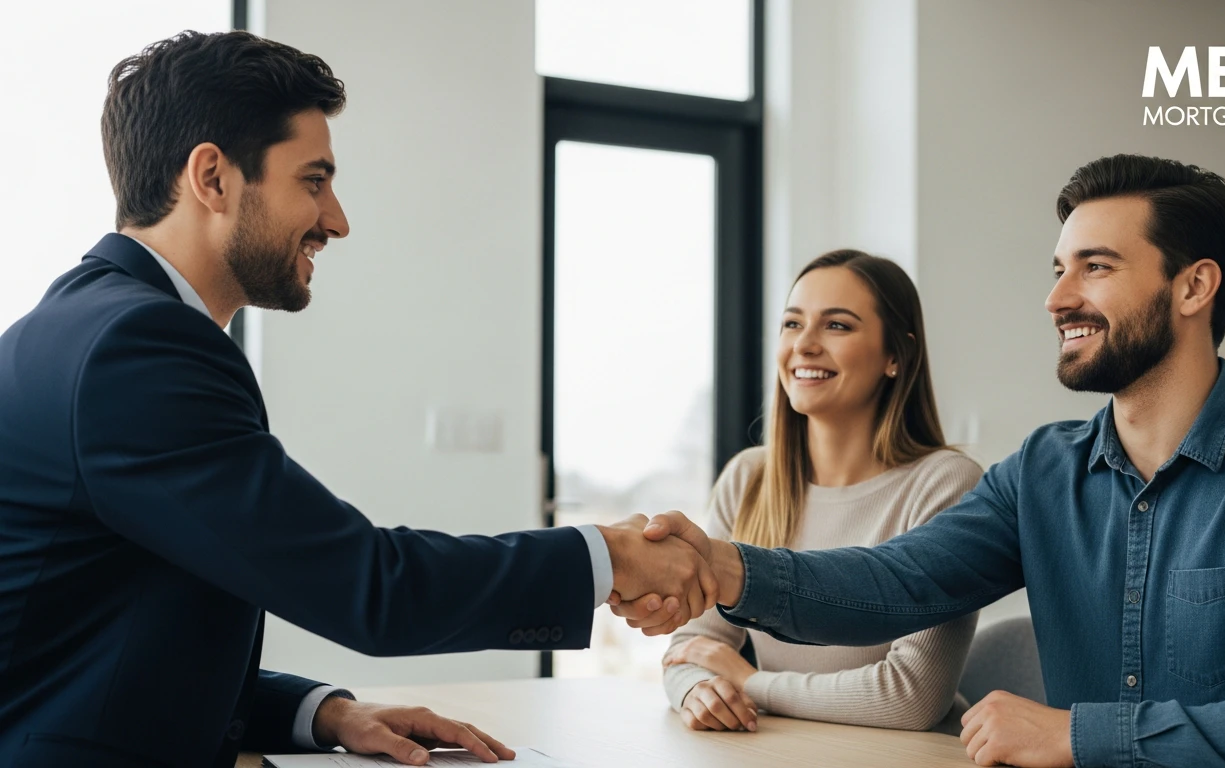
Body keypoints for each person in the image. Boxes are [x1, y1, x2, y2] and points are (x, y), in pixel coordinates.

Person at [0, 31, 714, 768]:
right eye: (313, 180)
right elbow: (370, 588)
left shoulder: (86, 327)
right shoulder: (138, 349)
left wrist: (327, 712)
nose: (336, 220)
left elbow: (108, 648)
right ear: (212, 178)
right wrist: (607, 557)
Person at [615, 155, 1225, 768]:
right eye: (1057, 269)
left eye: (1094, 267)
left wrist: (1076, 737)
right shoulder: (1044, 473)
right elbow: (895, 584)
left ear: (1193, 287)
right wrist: (723, 567)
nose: (1058, 299)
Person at [660, 250, 982, 734]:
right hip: (789, 750)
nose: (804, 345)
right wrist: (696, 689)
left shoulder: (945, 484)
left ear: (896, 355)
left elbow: (910, 697)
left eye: (837, 326)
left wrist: (750, 683)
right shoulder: (749, 477)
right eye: (792, 324)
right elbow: (691, 647)